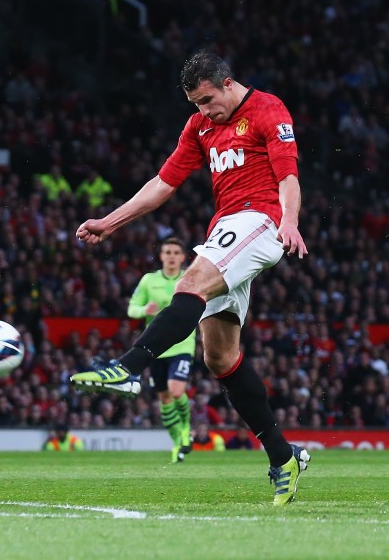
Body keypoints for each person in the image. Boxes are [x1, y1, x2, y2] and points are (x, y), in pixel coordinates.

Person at [70, 50, 311, 506]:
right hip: (226, 227)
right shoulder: (199, 126)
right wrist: (110, 221)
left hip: (261, 220)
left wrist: (290, 220)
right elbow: (163, 183)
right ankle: (284, 457)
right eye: (195, 104)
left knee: (189, 285)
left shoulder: (267, 109)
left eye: (206, 100)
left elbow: (288, 174)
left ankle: (129, 367)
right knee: (220, 358)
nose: (203, 112)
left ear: (226, 83)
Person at [128, 236, 195, 463]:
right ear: (161, 256)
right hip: (155, 347)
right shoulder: (149, 280)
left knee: (177, 392)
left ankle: (186, 429)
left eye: (176, 253)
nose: (172, 257)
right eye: (167, 252)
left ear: (183, 257)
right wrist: (144, 310)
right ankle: (177, 443)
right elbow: (132, 309)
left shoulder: (190, 277)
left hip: (183, 344)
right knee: (165, 399)